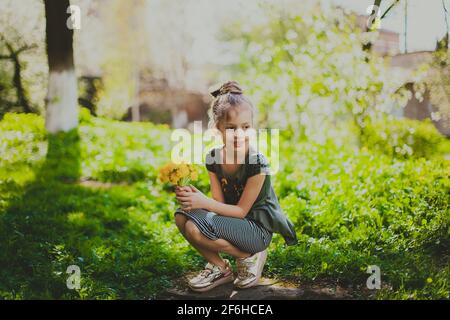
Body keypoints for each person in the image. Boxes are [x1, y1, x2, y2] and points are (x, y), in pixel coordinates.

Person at [174, 80, 298, 292]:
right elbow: (219, 204)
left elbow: (241, 212)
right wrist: (197, 198)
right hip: (231, 222)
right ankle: (220, 267)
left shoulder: (257, 163)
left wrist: (203, 203)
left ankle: (249, 256)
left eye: (245, 127)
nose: (239, 134)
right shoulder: (213, 159)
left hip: (255, 230)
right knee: (182, 217)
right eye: (231, 128)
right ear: (217, 130)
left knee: (196, 226)